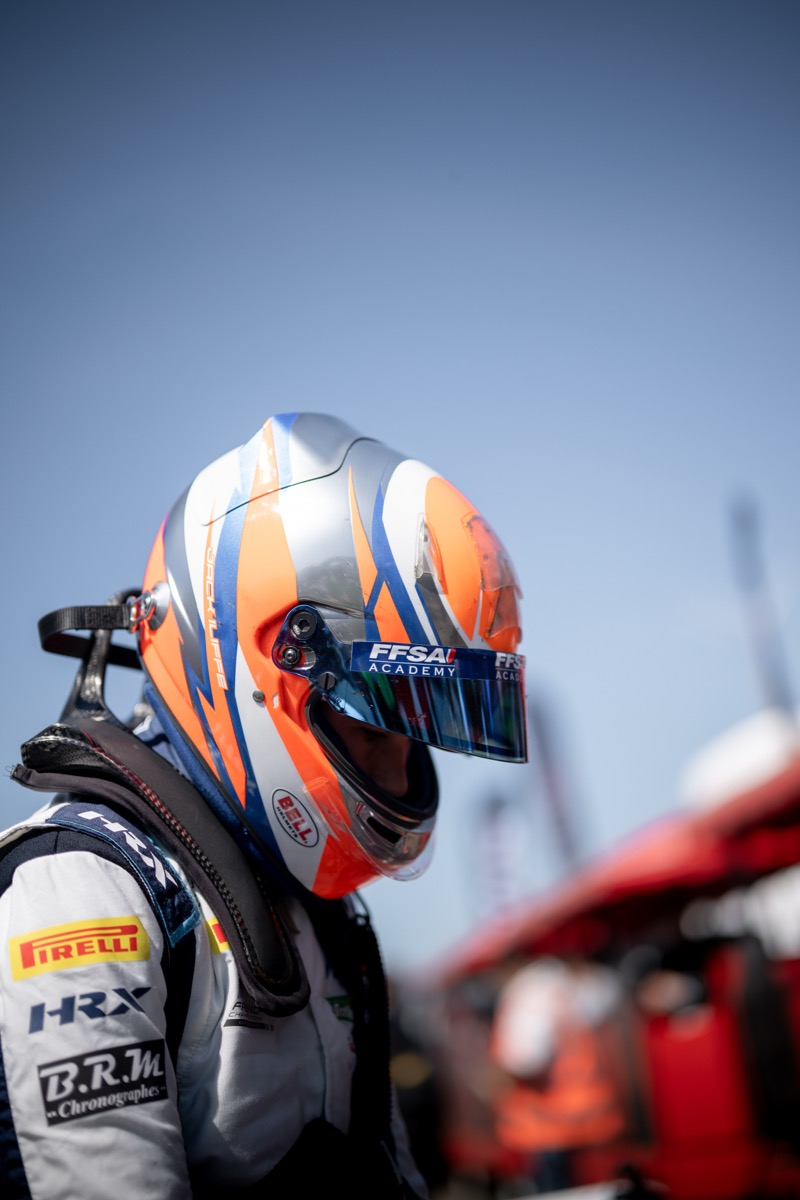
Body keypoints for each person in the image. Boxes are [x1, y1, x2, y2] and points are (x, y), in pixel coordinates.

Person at [0, 412, 528, 1198]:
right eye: (376, 717)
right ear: (263, 667)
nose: (399, 762)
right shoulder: (81, 888)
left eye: (422, 729)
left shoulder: (319, 908)